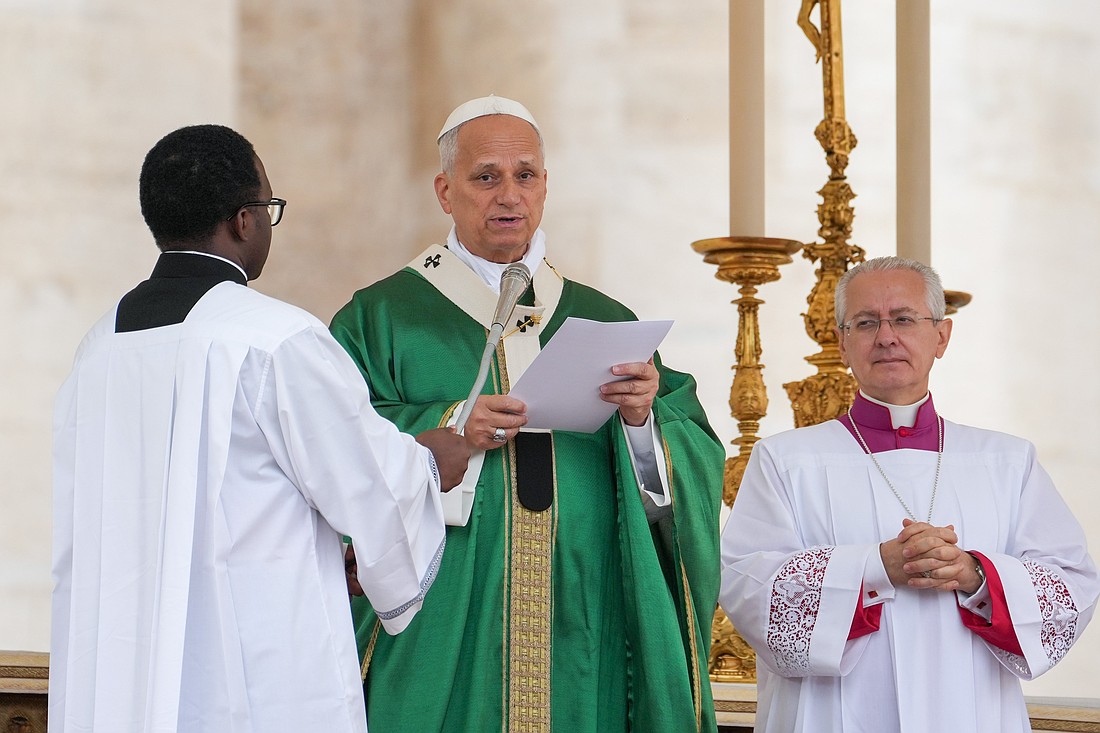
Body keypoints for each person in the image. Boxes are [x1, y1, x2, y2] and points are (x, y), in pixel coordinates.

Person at [50, 124, 469, 733]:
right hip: (250, 668)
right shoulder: (272, 340)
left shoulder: (100, 344)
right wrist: (430, 460)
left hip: (123, 660)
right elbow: (368, 484)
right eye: (269, 208)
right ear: (244, 220)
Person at [329, 96, 724, 732]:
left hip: (580, 603)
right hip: (444, 607)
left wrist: (642, 421)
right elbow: (330, 443)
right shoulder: (380, 318)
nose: (508, 195)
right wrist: (453, 424)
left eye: (526, 175)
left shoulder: (605, 318)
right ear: (445, 190)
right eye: (486, 176)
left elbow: (692, 461)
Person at [719, 256, 1099, 733]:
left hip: (971, 711)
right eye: (865, 323)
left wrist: (975, 573)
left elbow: (1070, 588)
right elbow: (747, 586)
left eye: (903, 318)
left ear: (941, 336)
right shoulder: (785, 461)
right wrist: (876, 569)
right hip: (830, 716)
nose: (886, 337)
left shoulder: (1007, 461)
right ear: (842, 342)